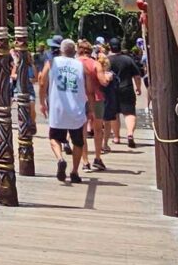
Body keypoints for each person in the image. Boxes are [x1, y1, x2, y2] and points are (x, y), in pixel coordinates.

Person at [40, 39, 88, 184]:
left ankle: (60, 158)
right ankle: (74, 171)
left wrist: (42, 101)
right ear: (74, 51)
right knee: (78, 142)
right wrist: (89, 106)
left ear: (61, 50)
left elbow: (42, 81)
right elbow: (88, 86)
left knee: (54, 138)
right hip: (76, 109)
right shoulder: (80, 65)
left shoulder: (52, 63)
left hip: (57, 107)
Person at [105, 38, 143, 149]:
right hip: (126, 87)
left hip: (111, 89)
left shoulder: (106, 60)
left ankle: (116, 137)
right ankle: (130, 134)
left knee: (114, 114)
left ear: (110, 47)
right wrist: (138, 88)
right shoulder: (128, 59)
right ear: (120, 47)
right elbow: (137, 76)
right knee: (129, 113)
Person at [76, 40, 108, 171]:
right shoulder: (95, 64)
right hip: (96, 98)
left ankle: (85, 161)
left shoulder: (75, 64)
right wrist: (108, 78)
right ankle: (97, 158)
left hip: (79, 99)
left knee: (82, 131)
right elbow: (103, 82)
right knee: (98, 130)